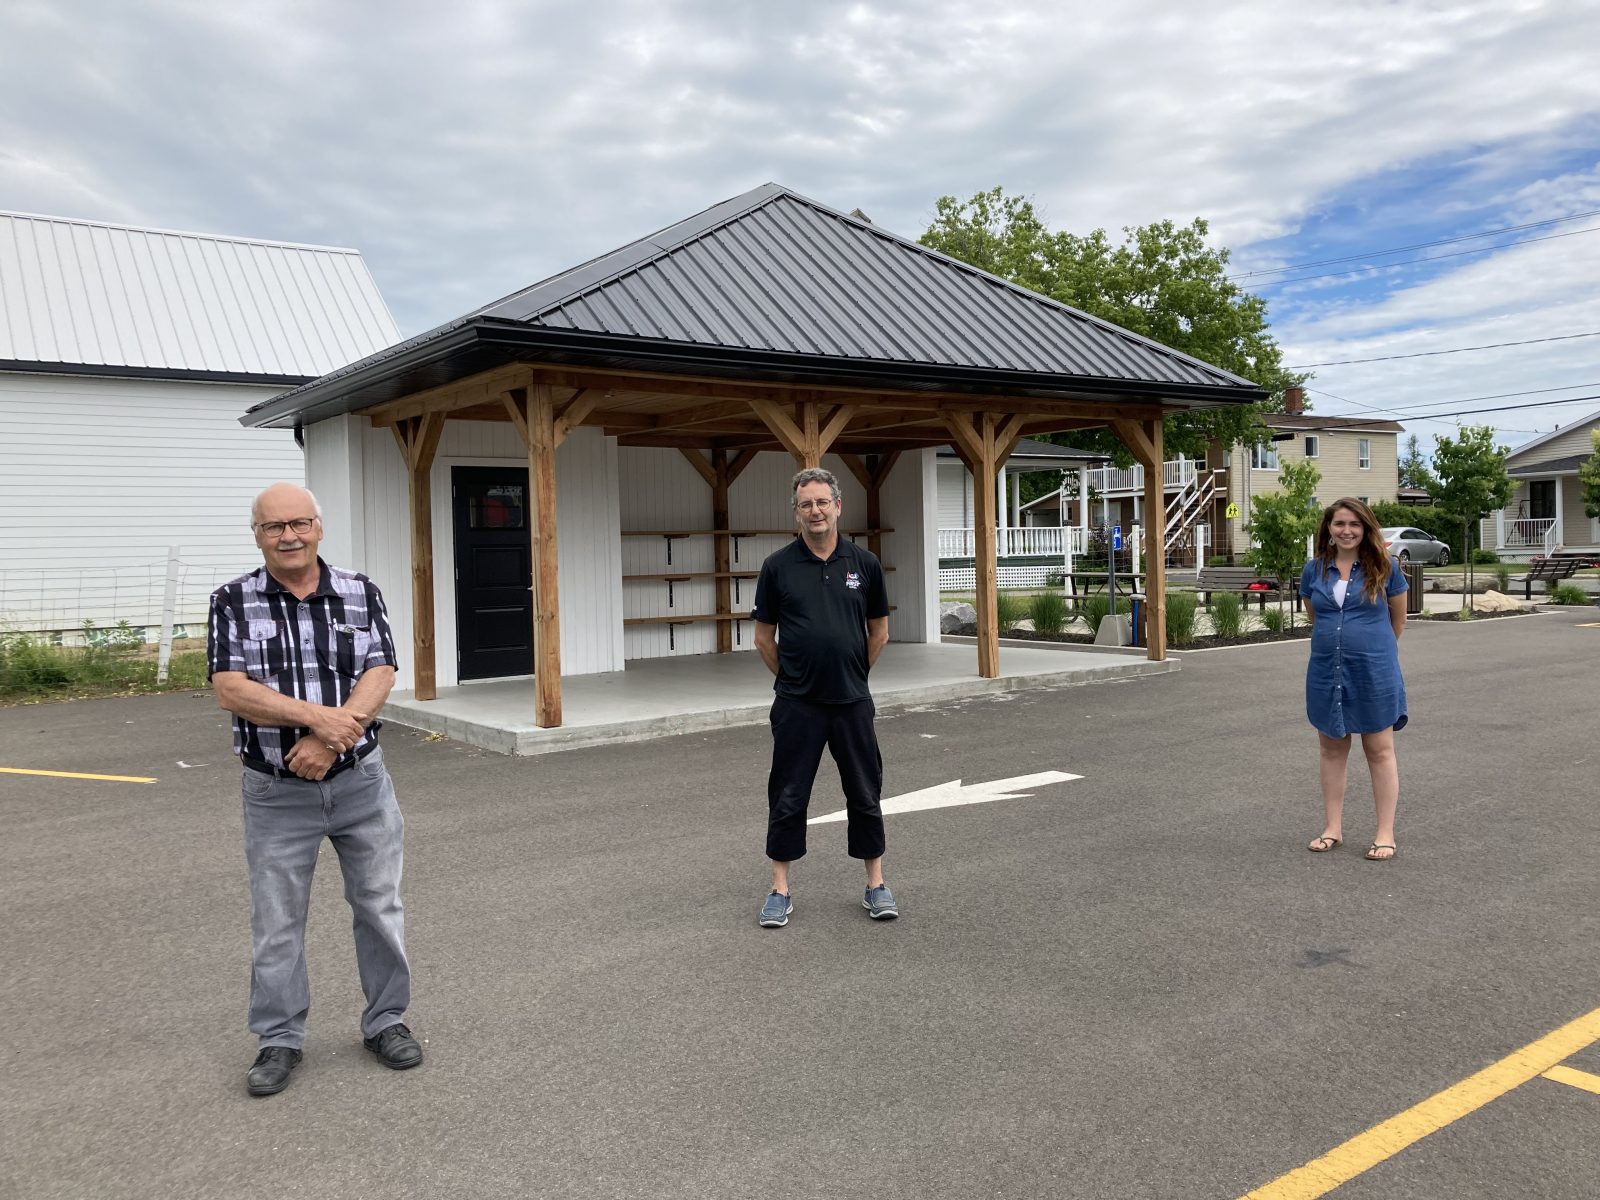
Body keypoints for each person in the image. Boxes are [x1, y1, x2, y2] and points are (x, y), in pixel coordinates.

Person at [207, 483, 422, 1096]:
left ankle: (387, 1022)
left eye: (299, 523)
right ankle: (279, 1039)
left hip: (361, 783)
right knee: (277, 922)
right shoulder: (232, 600)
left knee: (379, 907)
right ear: (257, 534)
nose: (289, 536)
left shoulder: (359, 591)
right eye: (275, 527)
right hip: (275, 792)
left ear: (318, 527)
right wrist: (317, 718)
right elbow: (231, 688)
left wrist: (331, 738)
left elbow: (380, 670)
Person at [752, 467, 894, 927]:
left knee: (865, 793)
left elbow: (879, 631)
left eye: (821, 502)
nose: (814, 510)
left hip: (851, 702)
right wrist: (794, 677)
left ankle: (876, 885)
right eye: (805, 504)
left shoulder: (864, 564)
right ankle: (779, 889)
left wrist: (853, 672)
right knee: (788, 796)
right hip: (798, 705)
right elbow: (763, 638)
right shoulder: (778, 566)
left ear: (837, 506)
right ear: (796, 512)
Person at [1298, 497, 1408, 862]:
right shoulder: (1314, 569)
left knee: (1379, 750)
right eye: (1339, 524)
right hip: (1327, 669)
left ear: (1366, 529)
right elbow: (1316, 617)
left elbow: (1398, 622)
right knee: (1331, 749)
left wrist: (1370, 650)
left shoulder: (1386, 567)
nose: (1346, 531)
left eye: (1354, 525)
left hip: (1374, 669)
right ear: (1328, 529)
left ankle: (1385, 834)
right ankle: (1332, 828)